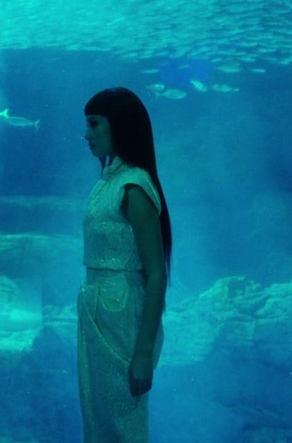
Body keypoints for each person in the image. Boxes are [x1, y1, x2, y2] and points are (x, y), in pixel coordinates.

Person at [79, 87, 173, 443]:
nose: (86, 134)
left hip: (121, 316)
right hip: (97, 312)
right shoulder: (107, 184)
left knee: (123, 425)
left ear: (118, 125)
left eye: (94, 123)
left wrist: (144, 352)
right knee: (99, 421)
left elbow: (156, 272)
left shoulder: (133, 185)